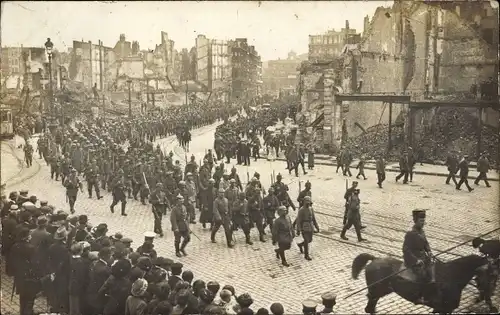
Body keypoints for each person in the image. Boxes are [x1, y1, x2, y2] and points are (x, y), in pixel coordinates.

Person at [402, 209, 436, 305]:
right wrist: (415, 260)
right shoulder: (410, 234)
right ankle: (417, 296)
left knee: (433, 268)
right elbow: (406, 250)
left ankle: (431, 290)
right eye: (421, 221)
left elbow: (426, 243)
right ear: (415, 221)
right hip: (413, 259)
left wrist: (428, 251)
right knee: (421, 274)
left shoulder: (422, 231)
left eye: (424, 221)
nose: (423, 223)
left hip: (423, 257)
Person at [296, 196, 319, 261]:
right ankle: (306, 255)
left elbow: (314, 218)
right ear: (304, 202)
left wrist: (316, 226)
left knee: (310, 240)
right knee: (306, 240)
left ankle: (300, 245)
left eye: (309, 202)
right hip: (304, 227)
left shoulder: (311, 209)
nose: (308, 204)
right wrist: (298, 229)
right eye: (307, 202)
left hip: (310, 226)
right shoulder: (301, 210)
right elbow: (298, 220)